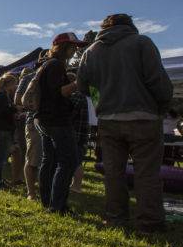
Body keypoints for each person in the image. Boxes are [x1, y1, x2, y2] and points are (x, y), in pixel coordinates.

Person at [77, 14, 173, 232]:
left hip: (109, 120)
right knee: (146, 172)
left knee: (113, 172)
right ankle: (149, 222)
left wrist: (102, 100)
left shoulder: (91, 52)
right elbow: (157, 80)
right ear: (130, 26)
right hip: (143, 117)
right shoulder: (142, 43)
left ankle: (116, 217)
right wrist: (163, 106)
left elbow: (83, 87)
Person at [36, 33, 86, 213]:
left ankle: (48, 201)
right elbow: (60, 93)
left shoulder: (46, 65)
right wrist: (79, 82)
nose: (75, 50)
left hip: (45, 119)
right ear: (63, 47)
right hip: (58, 120)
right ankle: (57, 206)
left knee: (49, 160)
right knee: (68, 162)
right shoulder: (56, 65)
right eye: (72, 47)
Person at [16, 51, 47, 199]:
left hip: (55, 123)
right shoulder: (29, 77)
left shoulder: (59, 76)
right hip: (35, 122)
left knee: (48, 160)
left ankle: (46, 191)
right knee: (33, 158)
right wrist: (33, 105)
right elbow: (17, 99)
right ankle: (31, 192)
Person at [0, 74, 20, 189]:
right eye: (14, 83)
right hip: (2, 129)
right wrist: (15, 109)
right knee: (0, 158)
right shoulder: (1, 96)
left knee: (1, 157)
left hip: (0, 129)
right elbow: (3, 112)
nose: (15, 86)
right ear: (9, 84)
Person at [67, 72, 90, 193]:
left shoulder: (76, 95)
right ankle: (75, 185)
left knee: (76, 161)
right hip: (83, 133)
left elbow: (68, 114)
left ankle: (76, 186)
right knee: (77, 160)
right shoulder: (85, 95)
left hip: (76, 133)